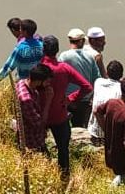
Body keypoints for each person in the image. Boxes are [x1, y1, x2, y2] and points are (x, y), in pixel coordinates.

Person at [41, 35, 92, 179]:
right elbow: (87, 87)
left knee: (37, 147)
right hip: (59, 114)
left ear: (43, 50)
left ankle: (43, 174)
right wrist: (70, 99)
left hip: (40, 115)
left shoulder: (38, 67)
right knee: (63, 150)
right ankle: (63, 179)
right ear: (57, 50)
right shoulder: (64, 69)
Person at [96, 74, 125, 192]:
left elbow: (97, 111)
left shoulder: (112, 103)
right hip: (124, 160)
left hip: (111, 152)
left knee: (121, 177)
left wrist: (106, 130)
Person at [61, 28, 104, 128]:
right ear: (82, 41)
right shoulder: (90, 57)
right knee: (82, 126)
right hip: (85, 99)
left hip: (68, 99)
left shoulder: (64, 56)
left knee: (68, 126)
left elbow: (60, 76)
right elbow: (97, 79)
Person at [0, 18, 43, 83]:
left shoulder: (20, 48)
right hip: (38, 82)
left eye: (21, 29)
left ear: (25, 32)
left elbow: (9, 67)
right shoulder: (41, 45)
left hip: (25, 83)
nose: (20, 31)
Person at [16, 63, 53, 152]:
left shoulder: (22, 82)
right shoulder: (26, 99)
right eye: (47, 82)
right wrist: (48, 101)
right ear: (38, 81)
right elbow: (39, 124)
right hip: (32, 142)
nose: (48, 85)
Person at [89, 60, 125, 141]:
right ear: (121, 75)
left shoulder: (98, 82)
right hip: (109, 133)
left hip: (94, 131)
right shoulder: (121, 89)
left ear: (107, 73)